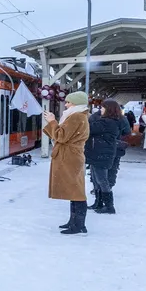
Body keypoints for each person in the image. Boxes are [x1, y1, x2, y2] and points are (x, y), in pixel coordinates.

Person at [42, 91, 90, 234]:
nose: (66, 104)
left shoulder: (76, 116)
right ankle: (74, 221)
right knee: (74, 190)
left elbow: (61, 136)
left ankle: (79, 225)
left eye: (68, 102)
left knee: (76, 191)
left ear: (75, 103)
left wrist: (52, 121)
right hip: (71, 155)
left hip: (70, 156)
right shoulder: (77, 116)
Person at [85, 99, 128, 214]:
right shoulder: (109, 121)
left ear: (108, 109)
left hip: (102, 153)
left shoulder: (107, 122)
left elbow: (88, 130)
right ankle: (99, 203)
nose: (101, 110)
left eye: (103, 107)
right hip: (99, 153)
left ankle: (109, 206)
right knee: (96, 178)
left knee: (101, 180)